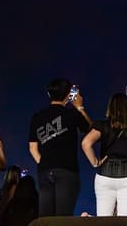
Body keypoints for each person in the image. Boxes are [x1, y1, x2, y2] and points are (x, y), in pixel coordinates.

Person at [28, 78, 92, 217]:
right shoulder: (71, 114)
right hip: (66, 170)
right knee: (63, 217)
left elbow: (32, 148)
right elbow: (90, 128)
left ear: (49, 94)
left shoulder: (37, 117)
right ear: (69, 95)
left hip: (44, 171)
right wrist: (80, 107)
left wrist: (44, 163)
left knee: (46, 217)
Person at [81, 92, 127, 216]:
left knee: (103, 220)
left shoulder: (102, 126)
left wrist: (95, 162)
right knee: (125, 219)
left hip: (105, 175)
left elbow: (86, 143)